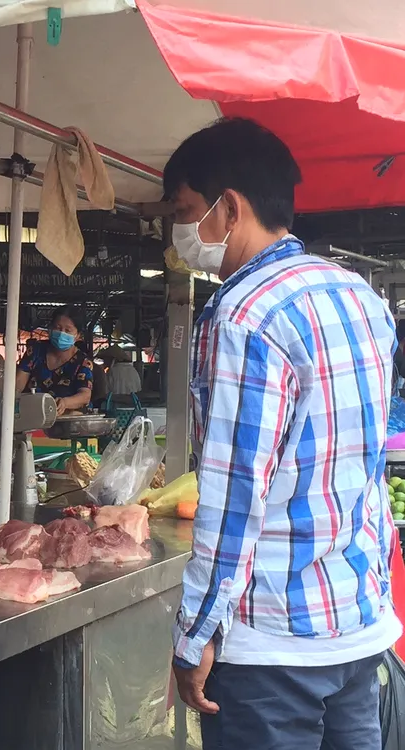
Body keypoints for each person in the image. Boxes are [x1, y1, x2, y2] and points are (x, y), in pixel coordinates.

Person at [166, 117, 400, 749]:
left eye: (184, 212)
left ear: (229, 208)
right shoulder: (361, 297)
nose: (179, 233)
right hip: (357, 621)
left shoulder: (243, 315)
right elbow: (369, 466)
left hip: (271, 645)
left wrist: (195, 635)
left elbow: (233, 497)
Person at [15, 305, 93, 414]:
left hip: (67, 417)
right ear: (50, 328)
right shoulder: (35, 351)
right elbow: (17, 384)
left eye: (68, 330)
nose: (61, 333)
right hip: (32, 414)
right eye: (58, 328)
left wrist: (65, 402)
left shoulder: (83, 362)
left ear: (78, 336)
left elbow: (85, 396)